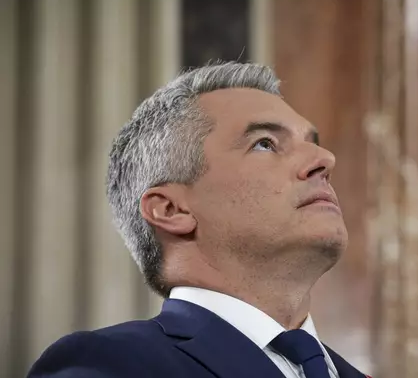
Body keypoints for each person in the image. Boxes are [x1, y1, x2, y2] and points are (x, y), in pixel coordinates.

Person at [28, 62, 368, 378]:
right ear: (172, 210)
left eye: (313, 144)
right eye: (265, 144)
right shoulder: (111, 363)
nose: (325, 159)